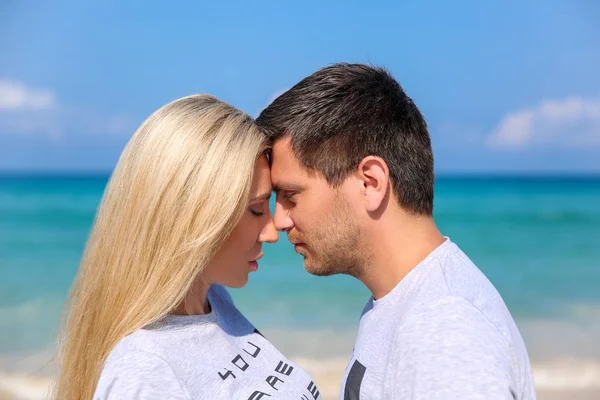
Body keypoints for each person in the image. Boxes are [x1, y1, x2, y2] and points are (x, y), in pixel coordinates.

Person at [256, 63, 536, 399]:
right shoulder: (404, 304)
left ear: (370, 183)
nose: (279, 221)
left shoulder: (443, 329)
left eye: (290, 195)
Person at [53, 95, 323, 400]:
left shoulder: (214, 301)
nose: (272, 232)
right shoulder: (143, 376)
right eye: (257, 209)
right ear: (195, 216)